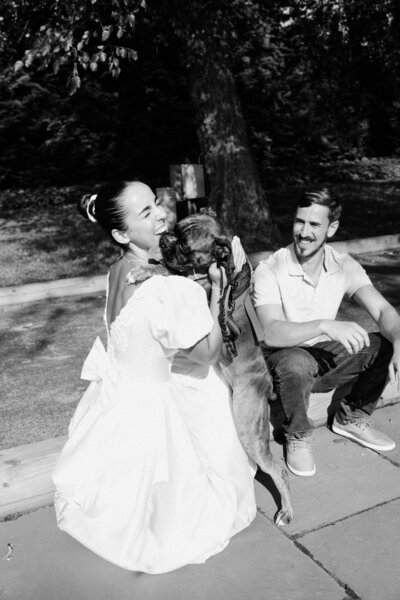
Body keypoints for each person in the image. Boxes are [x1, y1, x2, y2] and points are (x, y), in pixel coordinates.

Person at [52, 181, 256, 574]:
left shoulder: (118, 271)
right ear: (121, 233)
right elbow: (209, 351)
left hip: (117, 395)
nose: (162, 213)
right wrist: (215, 292)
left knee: (125, 488)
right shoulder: (164, 287)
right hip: (151, 401)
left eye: (156, 204)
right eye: (146, 213)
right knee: (206, 397)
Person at [253, 188, 400, 477]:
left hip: (324, 360)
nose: (303, 232)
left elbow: (383, 312)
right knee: (297, 361)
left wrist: (399, 339)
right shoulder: (271, 268)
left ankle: (351, 417)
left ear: (331, 228)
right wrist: (324, 324)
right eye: (299, 222)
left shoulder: (343, 265)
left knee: (380, 345)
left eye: (314, 225)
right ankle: (297, 435)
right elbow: (271, 333)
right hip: (281, 365)